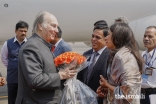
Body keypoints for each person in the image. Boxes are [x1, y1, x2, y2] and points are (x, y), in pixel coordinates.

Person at [15, 11, 77, 104]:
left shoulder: (43, 45)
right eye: (53, 26)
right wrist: (60, 75)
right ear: (40, 26)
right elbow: (35, 79)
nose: (56, 30)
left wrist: (66, 70)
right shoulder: (32, 46)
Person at [97, 23, 142, 104]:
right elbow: (120, 86)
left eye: (108, 35)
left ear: (117, 37)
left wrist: (108, 85)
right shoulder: (117, 56)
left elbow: (130, 94)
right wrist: (107, 89)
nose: (105, 38)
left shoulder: (124, 58)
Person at [77, 20, 110, 104]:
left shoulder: (110, 56)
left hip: (101, 100)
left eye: (97, 37)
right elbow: (80, 77)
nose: (93, 39)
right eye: (93, 36)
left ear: (106, 39)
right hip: (85, 99)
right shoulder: (86, 54)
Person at [1, 21, 28, 104]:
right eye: (21, 31)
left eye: (25, 31)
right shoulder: (8, 43)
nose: (23, 33)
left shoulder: (30, 43)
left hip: (26, 79)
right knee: (12, 100)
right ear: (16, 31)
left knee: (26, 100)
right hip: (13, 79)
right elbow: (4, 58)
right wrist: (13, 67)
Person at [141, 26, 156, 104]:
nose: (146, 39)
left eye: (150, 36)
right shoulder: (143, 54)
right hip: (142, 94)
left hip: (154, 94)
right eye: (145, 36)